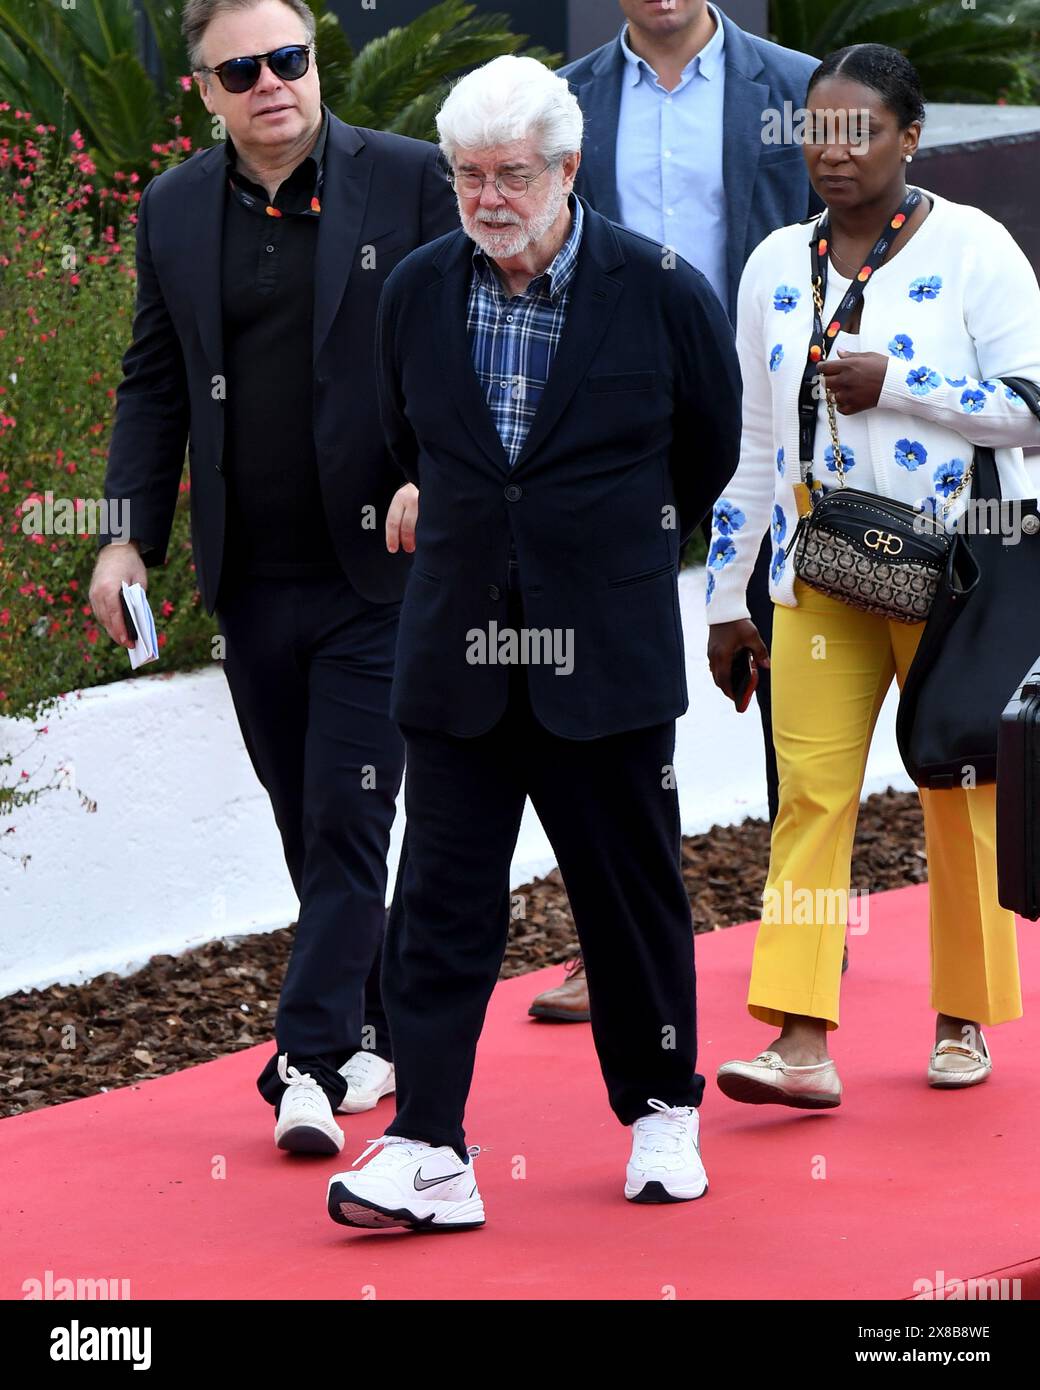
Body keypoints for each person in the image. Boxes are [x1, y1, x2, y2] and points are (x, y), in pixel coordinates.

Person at [325, 54, 742, 1232]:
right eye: (466, 174)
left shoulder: (659, 291)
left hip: (601, 655)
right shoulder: (412, 289)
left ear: (568, 168)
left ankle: (662, 1109)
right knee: (440, 904)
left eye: (511, 173)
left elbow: (703, 452)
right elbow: (409, 437)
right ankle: (428, 1145)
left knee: (629, 897)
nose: (487, 196)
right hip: (456, 650)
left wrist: (597, 542)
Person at [89, 0, 457, 1155]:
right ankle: (386, 1026)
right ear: (204, 91)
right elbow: (152, 382)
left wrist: (436, 472)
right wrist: (119, 535)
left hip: (381, 574)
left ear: (315, 62)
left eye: (287, 59)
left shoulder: (406, 180)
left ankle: (304, 1056)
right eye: (238, 70)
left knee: (350, 815)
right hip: (252, 577)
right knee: (310, 825)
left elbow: (467, 333)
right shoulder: (176, 206)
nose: (269, 84)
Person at [705, 43, 1040, 1108]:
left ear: (906, 136)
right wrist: (726, 600)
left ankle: (962, 1019)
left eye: (857, 132)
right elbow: (752, 444)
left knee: (957, 785)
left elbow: (1028, 405)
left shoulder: (976, 248)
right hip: (823, 570)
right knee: (808, 794)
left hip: (957, 570)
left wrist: (899, 383)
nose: (831, 152)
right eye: (815, 130)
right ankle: (798, 1039)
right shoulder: (771, 265)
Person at [528, 0, 821, 1022]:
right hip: (602, 425)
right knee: (601, 693)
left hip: (769, 410)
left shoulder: (795, 87)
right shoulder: (560, 99)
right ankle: (606, 944)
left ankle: (804, 951)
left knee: (794, 676)